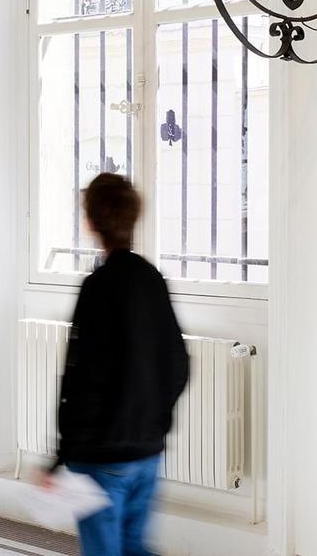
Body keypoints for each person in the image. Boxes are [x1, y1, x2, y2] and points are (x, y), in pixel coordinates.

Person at [42, 173, 189, 556]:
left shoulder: (99, 286)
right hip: (147, 454)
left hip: (102, 459)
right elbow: (178, 363)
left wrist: (64, 454)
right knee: (134, 547)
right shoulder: (152, 279)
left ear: (91, 222)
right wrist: (154, 423)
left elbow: (83, 378)